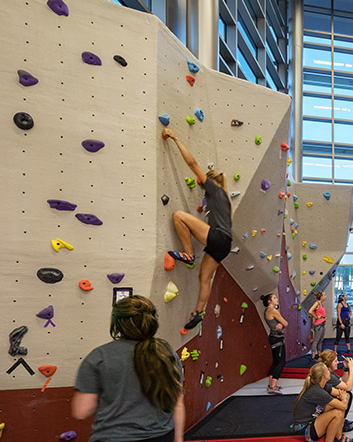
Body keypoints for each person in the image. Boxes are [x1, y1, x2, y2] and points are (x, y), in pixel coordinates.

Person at [72, 295, 184, 442]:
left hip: (113, 438)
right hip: (161, 437)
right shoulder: (166, 353)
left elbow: (82, 411)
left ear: (117, 323)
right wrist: (179, 439)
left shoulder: (99, 357)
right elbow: (178, 404)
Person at [162, 128, 233, 332]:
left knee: (178, 216)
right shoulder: (224, 199)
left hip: (218, 237)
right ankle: (197, 313)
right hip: (224, 246)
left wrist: (176, 138)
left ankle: (188, 254)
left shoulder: (214, 188)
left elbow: (192, 164)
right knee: (204, 278)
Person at [291, 363, 353, 442]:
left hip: (314, 419)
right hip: (304, 429)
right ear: (324, 375)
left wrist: (344, 396)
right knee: (338, 412)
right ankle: (336, 438)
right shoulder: (316, 391)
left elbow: (342, 393)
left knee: (338, 407)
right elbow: (344, 406)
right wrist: (344, 398)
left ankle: (338, 437)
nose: (329, 371)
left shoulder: (323, 385)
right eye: (327, 370)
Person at [317, 350, 353, 433]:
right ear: (329, 363)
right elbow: (348, 387)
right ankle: (339, 424)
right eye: (335, 361)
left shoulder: (328, 371)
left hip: (323, 400)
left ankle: (340, 421)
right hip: (320, 406)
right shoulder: (328, 375)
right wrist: (352, 369)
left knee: (346, 393)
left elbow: (343, 382)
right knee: (347, 395)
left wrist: (346, 369)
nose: (338, 362)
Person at [261, 293, 288, 394]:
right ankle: (273, 386)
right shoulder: (273, 310)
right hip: (277, 339)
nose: (276, 299)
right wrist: (282, 324)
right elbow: (286, 323)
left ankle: (271, 384)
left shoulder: (266, 311)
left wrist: (280, 324)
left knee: (275, 361)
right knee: (281, 362)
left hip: (273, 338)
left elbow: (280, 324)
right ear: (269, 301)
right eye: (274, 298)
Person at [308, 291, 328, 360]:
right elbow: (310, 311)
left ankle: (319, 355)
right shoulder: (317, 303)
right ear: (321, 297)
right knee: (316, 340)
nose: (325, 296)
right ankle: (313, 356)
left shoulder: (322, 304)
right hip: (318, 324)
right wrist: (316, 317)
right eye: (324, 295)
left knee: (320, 340)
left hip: (322, 323)